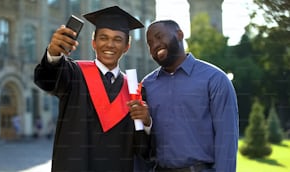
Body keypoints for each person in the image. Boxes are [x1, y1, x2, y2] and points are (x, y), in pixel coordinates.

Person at [34, 6, 151, 172]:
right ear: (94, 43)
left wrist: (146, 123)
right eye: (103, 38)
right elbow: (47, 80)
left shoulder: (134, 90)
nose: (110, 44)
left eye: (117, 39)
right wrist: (53, 54)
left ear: (127, 47)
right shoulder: (73, 74)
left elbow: (142, 149)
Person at [142, 20, 239, 172]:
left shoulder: (215, 79)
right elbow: (143, 142)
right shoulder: (147, 85)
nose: (155, 45)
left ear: (179, 35)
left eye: (159, 37)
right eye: (150, 43)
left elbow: (226, 140)